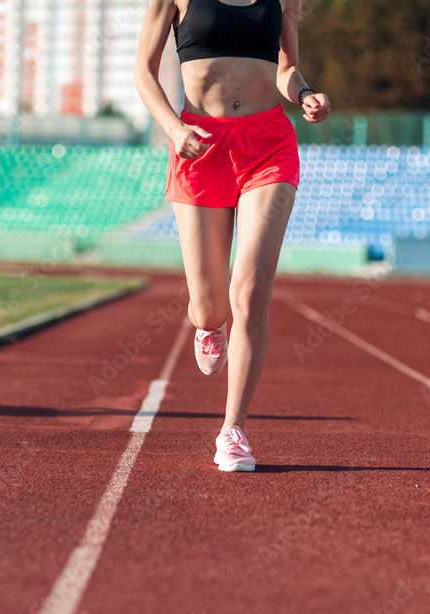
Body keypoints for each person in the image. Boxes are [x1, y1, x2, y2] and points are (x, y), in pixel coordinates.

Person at [136, 0, 330, 472]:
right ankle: (208, 323)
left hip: (268, 147)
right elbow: (143, 71)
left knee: (250, 292)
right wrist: (173, 126)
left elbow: (287, 68)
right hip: (198, 143)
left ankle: (233, 429)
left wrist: (305, 93)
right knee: (210, 305)